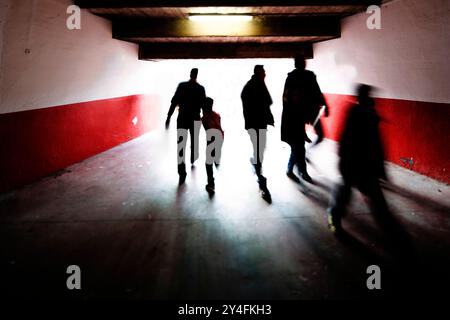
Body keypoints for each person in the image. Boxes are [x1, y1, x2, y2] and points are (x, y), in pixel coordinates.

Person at [327, 84, 388, 234]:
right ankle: (333, 217)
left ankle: (334, 216)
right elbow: (348, 141)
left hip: (363, 165)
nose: (370, 98)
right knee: (345, 195)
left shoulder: (366, 113)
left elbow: (375, 143)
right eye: (368, 95)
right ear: (363, 97)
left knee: (353, 195)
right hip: (354, 163)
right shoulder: (360, 114)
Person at [281, 55, 329, 184]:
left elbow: (317, 91)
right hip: (296, 115)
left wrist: (325, 104)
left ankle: (291, 169)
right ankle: (300, 171)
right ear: (299, 63)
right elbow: (287, 98)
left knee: (298, 145)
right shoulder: (293, 78)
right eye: (301, 61)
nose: (303, 63)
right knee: (298, 145)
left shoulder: (307, 76)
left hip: (306, 112)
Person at [166, 68, 206, 184]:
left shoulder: (182, 86)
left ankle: (181, 171)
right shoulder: (200, 88)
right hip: (195, 118)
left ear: (190, 74)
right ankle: (193, 157)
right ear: (197, 75)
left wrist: (169, 116)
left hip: (182, 118)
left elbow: (174, 102)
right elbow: (204, 105)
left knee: (181, 144)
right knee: (194, 141)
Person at [241, 65, 275, 202]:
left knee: (259, 146)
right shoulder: (258, 84)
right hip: (258, 122)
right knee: (260, 146)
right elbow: (269, 101)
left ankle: (257, 164)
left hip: (252, 122)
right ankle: (259, 172)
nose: (265, 74)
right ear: (259, 73)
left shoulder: (249, 85)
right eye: (264, 72)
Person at [201, 97, 224, 194]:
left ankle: (211, 184)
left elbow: (208, 129)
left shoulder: (204, 118)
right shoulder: (217, 115)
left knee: (208, 162)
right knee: (215, 157)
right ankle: (217, 162)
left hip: (212, 140)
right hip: (220, 138)